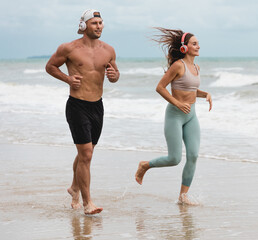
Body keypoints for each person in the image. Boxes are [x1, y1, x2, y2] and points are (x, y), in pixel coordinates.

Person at [45, 9, 120, 214]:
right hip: (77, 105)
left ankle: (74, 188)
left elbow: (114, 74)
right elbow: (50, 66)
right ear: (84, 26)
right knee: (85, 154)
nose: (99, 26)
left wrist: (114, 76)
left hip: (97, 106)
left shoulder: (109, 50)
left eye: (101, 22)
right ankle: (88, 203)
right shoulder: (69, 48)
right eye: (94, 23)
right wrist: (67, 79)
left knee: (86, 153)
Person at [135, 28, 212, 205]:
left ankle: (183, 196)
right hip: (175, 116)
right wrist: (177, 103)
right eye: (194, 44)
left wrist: (205, 94)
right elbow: (160, 87)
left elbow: (190, 89)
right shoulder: (178, 65)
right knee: (174, 158)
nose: (198, 46)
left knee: (193, 155)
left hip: (191, 115)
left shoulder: (196, 67)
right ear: (184, 48)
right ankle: (145, 165)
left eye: (198, 43)